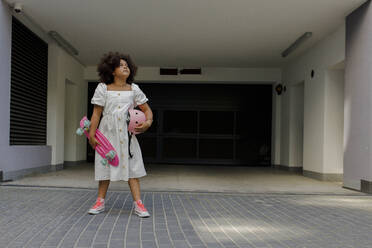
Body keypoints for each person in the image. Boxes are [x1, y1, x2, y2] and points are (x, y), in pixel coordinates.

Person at [87, 52, 153, 218]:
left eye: (127, 65)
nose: (125, 67)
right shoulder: (103, 88)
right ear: (111, 70)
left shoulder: (133, 89)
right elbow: (96, 114)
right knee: (104, 168)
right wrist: (92, 134)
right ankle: (100, 202)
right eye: (121, 65)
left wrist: (148, 122)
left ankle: (138, 204)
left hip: (127, 135)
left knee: (132, 169)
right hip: (107, 134)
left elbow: (146, 110)